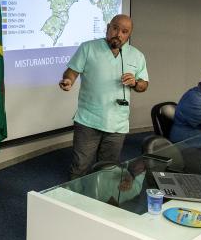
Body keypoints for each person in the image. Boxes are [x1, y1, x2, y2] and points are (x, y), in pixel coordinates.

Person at [59, 14, 149, 179]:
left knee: (108, 169)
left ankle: (102, 195)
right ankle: (73, 194)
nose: (118, 34)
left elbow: (144, 85)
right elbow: (72, 71)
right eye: (115, 28)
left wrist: (135, 83)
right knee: (80, 166)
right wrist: (68, 80)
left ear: (129, 35)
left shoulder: (137, 56)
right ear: (108, 27)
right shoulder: (88, 48)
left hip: (117, 123)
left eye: (124, 31)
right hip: (88, 120)